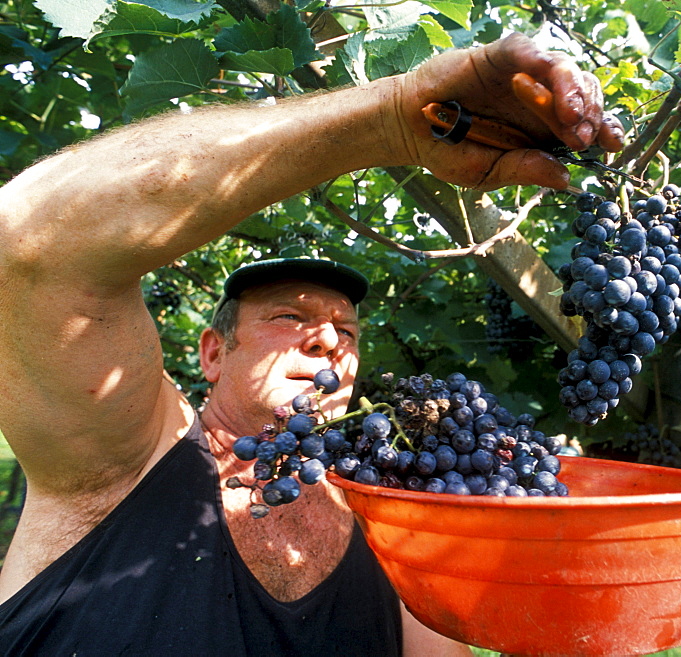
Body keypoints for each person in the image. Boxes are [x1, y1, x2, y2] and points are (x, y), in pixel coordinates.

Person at [0, 32, 624, 655]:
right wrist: (391, 118)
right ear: (214, 353)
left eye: (348, 330)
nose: (329, 339)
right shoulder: (129, 457)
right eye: (289, 316)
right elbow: (25, 242)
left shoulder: (386, 514)